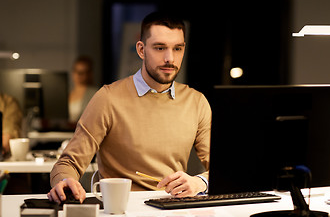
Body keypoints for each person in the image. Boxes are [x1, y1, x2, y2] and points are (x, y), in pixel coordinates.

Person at [48, 12, 211, 204]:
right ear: (141, 50)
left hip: (173, 207)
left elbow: (227, 170)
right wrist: (64, 181)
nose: (170, 58)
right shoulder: (108, 98)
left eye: (178, 49)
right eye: (160, 48)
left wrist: (199, 182)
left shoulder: (196, 102)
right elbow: (68, 163)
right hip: (121, 208)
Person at [68, 56, 97, 123]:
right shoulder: (68, 94)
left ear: (89, 74)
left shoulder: (94, 94)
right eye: (77, 71)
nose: (79, 75)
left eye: (83, 72)